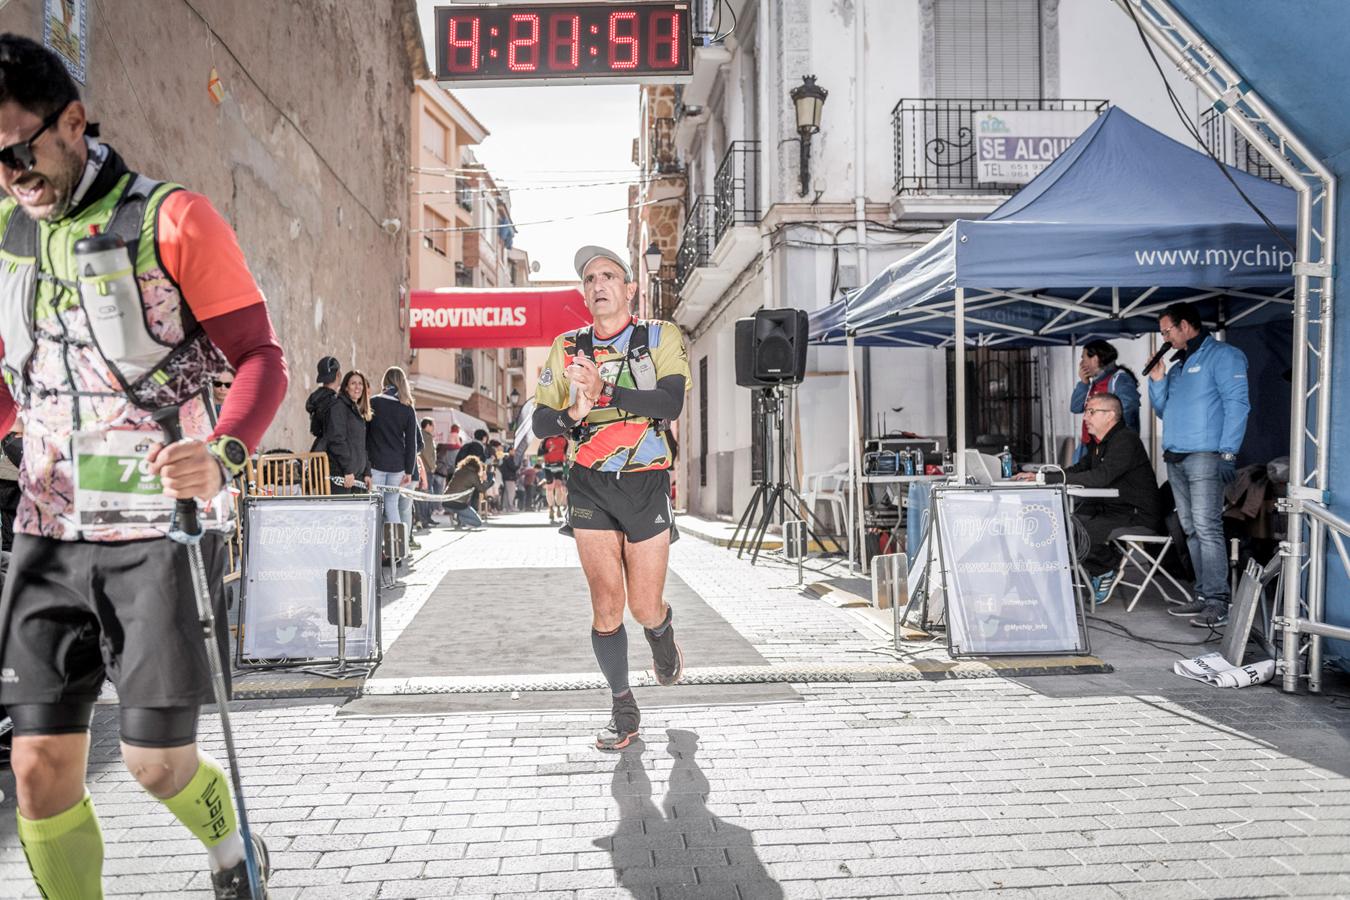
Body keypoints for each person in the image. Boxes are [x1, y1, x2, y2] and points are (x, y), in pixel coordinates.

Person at [0, 35, 289, 899]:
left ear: (75, 122)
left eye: (21, 149)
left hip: (159, 528)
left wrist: (223, 453)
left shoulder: (174, 218)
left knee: (156, 765)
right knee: (39, 769)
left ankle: (234, 846)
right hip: (46, 532)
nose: (12, 174)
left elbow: (259, 358)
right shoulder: (6, 239)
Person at [531, 245, 690, 751]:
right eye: (589, 279)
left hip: (646, 479)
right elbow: (539, 421)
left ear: (628, 288)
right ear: (584, 293)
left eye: (608, 276)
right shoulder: (567, 346)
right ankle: (623, 707)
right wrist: (572, 415)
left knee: (644, 606)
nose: (597, 284)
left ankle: (662, 635)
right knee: (606, 605)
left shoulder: (660, 336)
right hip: (588, 483)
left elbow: (670, 401)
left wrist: (604, 393)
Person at [1149, 301, 1250, 628]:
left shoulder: (1223, 356)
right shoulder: (1178, 365)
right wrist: (1157, 380)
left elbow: (1237, 404)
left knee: (1207, 528)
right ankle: (1204, 594)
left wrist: (1229, 452)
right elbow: (1164, 410)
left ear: (1185, 326)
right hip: (1176, 457)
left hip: (1206, 456)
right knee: (1189, 528)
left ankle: (1219, 601)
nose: (1165, 337)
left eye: (1167, 331)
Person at [1016, 393, 1160, 602]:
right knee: (1061, 523)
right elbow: (1078, 469)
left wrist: (1048, 478)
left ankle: (1105, 568)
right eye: (1086, 412)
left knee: (1080, 530)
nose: (1085, 417)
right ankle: (1082, 573)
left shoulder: (1125, 440)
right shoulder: (1098, 443)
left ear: (1110, 415)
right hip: (1110, 509)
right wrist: (1042, 476)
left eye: (1091, 412)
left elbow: (1100, 477)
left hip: (1136, 514)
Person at [367, 366, 420, 549]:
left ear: (385, 381)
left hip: (375, 465)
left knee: (376, 507)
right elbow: (412, 444)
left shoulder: (372, 403)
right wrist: (409, 470)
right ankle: (397, 550)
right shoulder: (407, 409)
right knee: (392, 506)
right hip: (397, 467)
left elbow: (365, 436)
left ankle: (375, 551)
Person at [1069, 339, 1140, 462]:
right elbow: (1075, 407)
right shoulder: (1093, 383)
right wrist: (1083, 383)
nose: (1081, 363)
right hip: (1088, 445)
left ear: (1095, 359)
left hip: (1108, 447)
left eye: (1083, 358)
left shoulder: (1120, 380)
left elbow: (1127, 413)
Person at [326, 370, 373, 495]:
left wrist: (367, 472)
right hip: (343, 476)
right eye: (353, 383)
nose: (357, 387)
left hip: (357, 477)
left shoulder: (357, 411)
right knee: (340, 514)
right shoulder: (338, 406)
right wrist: (348, 470)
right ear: (346, 387)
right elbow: (337, 440)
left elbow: (362, 446)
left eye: (360, 383)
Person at [306, 355, 341, 452]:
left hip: (318, 450)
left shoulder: (316, 398)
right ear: (338, 374)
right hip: (332, 455)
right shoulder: (335, 401)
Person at [443, 455, 488, 529]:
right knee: (478, 522)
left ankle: (457, 516)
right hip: (459, 504)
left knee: (461, 509)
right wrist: (484, 479)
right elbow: (481, 489)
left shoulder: (458, 471)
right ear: (477, 466)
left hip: (446, 502)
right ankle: (459, 519)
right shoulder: (473, 475)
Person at [415, 417, 438, 528]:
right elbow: (428, 454)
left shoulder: (423, 435)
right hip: (427, 470)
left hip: (424, 469)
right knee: (425, 496)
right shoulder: (426, 437)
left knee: (426, 496)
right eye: (432, 425)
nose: (434, 428)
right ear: (427, 425)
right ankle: (424, 519)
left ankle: (426, 518)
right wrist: (433, 467)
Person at [540, 433, 569, 523]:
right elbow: (539, 453)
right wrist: (548, 451)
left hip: (559, 465)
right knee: (550, 487)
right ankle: (551, 508)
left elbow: (565, 452)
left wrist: (566, 459)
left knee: (558, 486)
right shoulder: (546, 439)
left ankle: (559, 507)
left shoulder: (564, 439)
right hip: (548, 465)